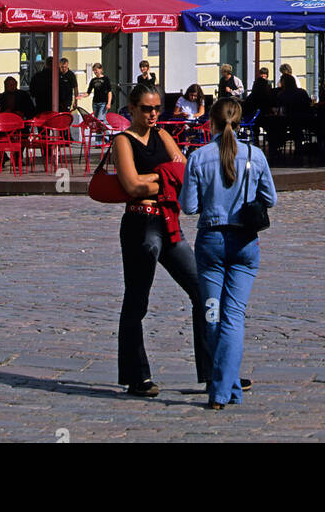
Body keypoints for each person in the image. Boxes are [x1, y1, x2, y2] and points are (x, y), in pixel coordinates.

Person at [113, 83, 211, 398]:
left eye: (157, 107)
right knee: (137, 299)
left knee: (202, 291)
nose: (153, 113)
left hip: (169, 222)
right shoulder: (123, 142)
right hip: (140, 224)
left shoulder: (164, 135)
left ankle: (213, 372)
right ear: (131, 109)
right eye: (146, 108)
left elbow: (185, 173)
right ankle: (136, 376)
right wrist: (165, 176)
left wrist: (157, 178)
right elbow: (132, 186)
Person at [180, 98, 277, 409]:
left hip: (211, 244)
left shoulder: (198, 158)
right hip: (245, 244)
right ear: (240, 122)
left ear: (210, 122)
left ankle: (220, 391)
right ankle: (228, 386)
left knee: (211, 314)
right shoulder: (256, 156)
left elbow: (189, 206)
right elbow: (270, 199)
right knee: (233, 317)